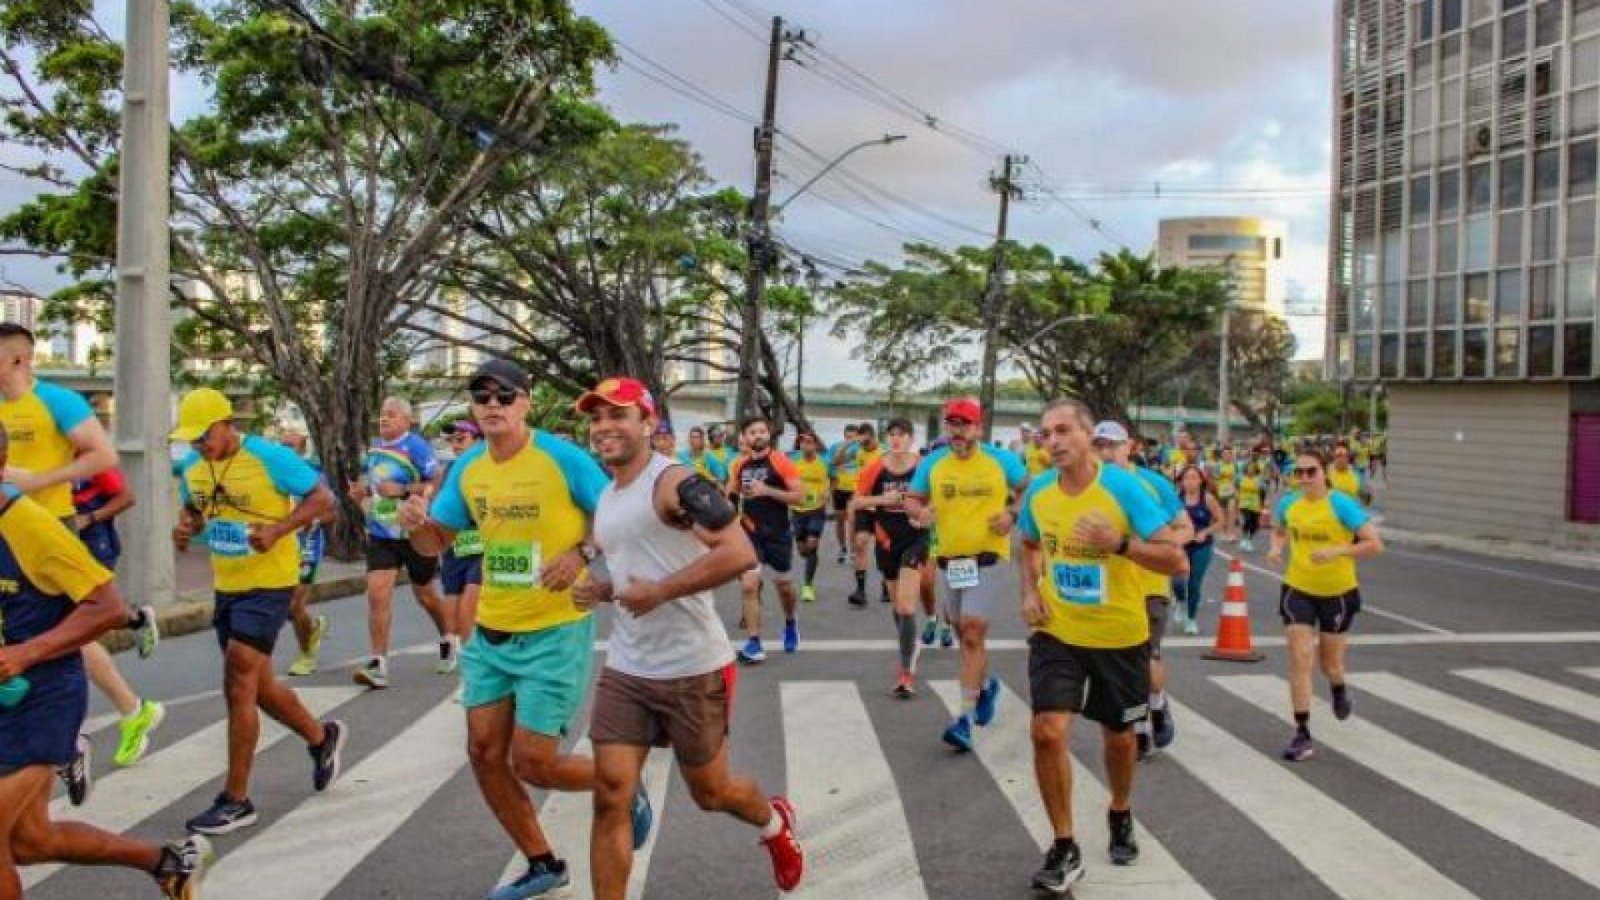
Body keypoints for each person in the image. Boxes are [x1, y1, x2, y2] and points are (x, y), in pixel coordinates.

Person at [400, 364, 643, 900]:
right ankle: (543, 862)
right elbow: (437, 541)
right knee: (484, 753)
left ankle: (624, 787)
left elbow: (619, 513)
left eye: (504, 395)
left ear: (525, 402)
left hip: (554, 631)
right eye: (481, 396)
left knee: (535, 763)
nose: (493, 404)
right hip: (491, 630)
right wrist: (418, 526)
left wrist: (580, 551)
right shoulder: (467, 468)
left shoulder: (562, 459)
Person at [575, 379, 804, 898]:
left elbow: (738, 551)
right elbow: (644, 564)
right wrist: (607, 590)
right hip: (629, 668)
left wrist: (661, 591)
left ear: (648, 423)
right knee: (611, 794)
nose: (604, 426)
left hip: (692, 667)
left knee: (711, 792)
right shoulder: (610, 495)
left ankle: (774, 823)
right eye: (596, 418)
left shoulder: (675, 482)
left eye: (618, 415)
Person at [0, 421, 214, 899]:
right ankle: (166, 864)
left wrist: (26, 651)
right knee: (32, 841)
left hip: (42, 701)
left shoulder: (28, 526)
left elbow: (109, 607)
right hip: (5, 702)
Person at [1020, 400, 1188, 892]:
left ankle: (1119, 809)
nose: (1053, 441)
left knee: (1119, 737)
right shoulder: (1039, 492)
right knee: (1047, 731)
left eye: (1063, 431)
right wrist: (1030, 591)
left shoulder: (1123, 488)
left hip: (1119, 636)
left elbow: (1175, 559)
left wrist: (1119, 545)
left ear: (1088, 436)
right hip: (1058, 631)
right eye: (1046, 434)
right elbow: (1028, 545)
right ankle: (1064, 845)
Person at [170, 388, 346, 834]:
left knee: (237, 682)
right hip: (227, 585)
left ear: (227, 424)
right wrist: (186, 526)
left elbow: (324, 501)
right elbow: (195, 507)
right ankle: (320, 737)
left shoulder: (269, 457)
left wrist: (280, 528)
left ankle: (237, 798)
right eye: (191, 440)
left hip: (270, 584)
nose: (199, 446)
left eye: (204, 436)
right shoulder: (192, 468)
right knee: (260, 688)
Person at [0, 328, 160, 794]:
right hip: (6, 532)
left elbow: (104, 455)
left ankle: (90, 730)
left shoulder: (56, 401)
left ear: (18, 360)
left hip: (49, 528)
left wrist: (40, 479)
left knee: (61, 634)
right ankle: (109, 719)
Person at [905, 397, 1028, 752]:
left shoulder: (1001, 460)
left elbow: (1026, 488)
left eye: (964, 424)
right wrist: (919, 513)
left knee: (972, 632)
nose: (957, 431)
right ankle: (985, 685)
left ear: (978, 428)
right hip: (950, 562)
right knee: (964, 635)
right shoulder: (933, 463)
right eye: (952, 424)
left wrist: (1012, 514)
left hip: (986, 557)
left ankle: (963, 719)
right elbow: (913, 498)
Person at [1268, 449, 1385, 763]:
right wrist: (1276, 549)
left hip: (1337, 592)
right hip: (1298, 588)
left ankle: (1338, 688)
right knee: (1299, 659)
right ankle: (1302, 732)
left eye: (1311, 472)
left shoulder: (1340, 504)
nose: (1304, 478)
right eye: (1299, 472)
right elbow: (1280, 531)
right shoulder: (1289, 504)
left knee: (1329, 664)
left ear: (1324, 472)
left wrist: (1337, 551)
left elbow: (1374, 544)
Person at [1092, 422, 1192, 761]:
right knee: (1121, 664)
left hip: (1149, 585)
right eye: (1099, 445)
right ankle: (1150, 712)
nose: (1105, 453)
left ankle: (1145, 720)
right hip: (1107, 588)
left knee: (1144, 658)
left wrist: (1157, 549)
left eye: (1112, 446)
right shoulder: (1087, 485)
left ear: (1129, 447)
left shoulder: (1153, 484)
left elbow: (1185, 527)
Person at [350, 397, 452, 689]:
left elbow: (437, 482)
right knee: (377, 593)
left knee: (425, 595)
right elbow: (374, 487)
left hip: (414, 534)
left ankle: (447, 638)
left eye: (391, 415)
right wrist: (362, 495)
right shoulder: (374, 449)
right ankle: (378, 663)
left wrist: (405, 489)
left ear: (406, 421)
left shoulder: (416, 446)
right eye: (382, 415)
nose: (384, 420)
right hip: (382, 534)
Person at [70, 467, 166, 775]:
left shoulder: (87, 453)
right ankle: (135, 622)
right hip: (49, 544)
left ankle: (129, 711)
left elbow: (126, 496)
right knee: (70, 633)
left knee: (71, 633)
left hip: (90, 544)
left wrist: (89, 518)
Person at [853, 418, 929, 697]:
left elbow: (937, 500)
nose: (897, 439)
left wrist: (925, 514)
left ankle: (906, 672)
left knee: (907, 607)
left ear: (911, 439)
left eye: (903, 435)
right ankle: (911, 643)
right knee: (898, 607)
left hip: (916, 539)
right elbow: (857, 501)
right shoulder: (876, 467)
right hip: (886, 540)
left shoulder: (923, 466)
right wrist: (885, 501)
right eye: (892, 434)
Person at [729, 417, 804, 663]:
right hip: (750, 531)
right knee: (750, 584)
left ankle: (791, 623)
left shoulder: (782, 462)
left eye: (762, 431)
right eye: (752, 432)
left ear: (769, 435)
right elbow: (731, 494)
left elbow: (799, 497)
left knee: (783, 586)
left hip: (778, 532)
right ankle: (753, 642)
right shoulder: (740, 465)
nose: (758, 436)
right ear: (744, 437)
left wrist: (767, 491)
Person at [279, 430, 334, 677]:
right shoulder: (274, 475)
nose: (287, 449)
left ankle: (306, 654)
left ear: (303, 449)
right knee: (284, 606)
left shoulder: (314, 477)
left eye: (292, 445)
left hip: (308, 545)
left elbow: (332, 513)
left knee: (293, 605)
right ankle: (312, 627)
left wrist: (310, 520)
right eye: (283, 445)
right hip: (281, 546)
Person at [435, 420, 485, 673]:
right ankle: (453, 646)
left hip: (484, 543)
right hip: (456, 542)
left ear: (478, 440)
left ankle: (472, 658)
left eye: (461, 439)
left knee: (471, 598)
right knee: (452, 599)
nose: (455, 445)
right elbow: (436, 505)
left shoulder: (488, 465)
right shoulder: (448, 469)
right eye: (452, 440)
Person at [1170, 465, 1222, 636]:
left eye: (1194, 478)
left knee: (1194, 583)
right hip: (1180, 545)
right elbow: (1166, 521)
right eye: (1187, 478)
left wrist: (1205, 532)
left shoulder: (1207, 499)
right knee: (1177, 582)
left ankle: (1191, 619)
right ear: (1181, 481)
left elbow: (1220, 521)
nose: (1190, 482)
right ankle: (1179, 599)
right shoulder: (1175, 499)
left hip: (1201, 546)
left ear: (1201, 481)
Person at [842, 423, 884, 606]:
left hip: (882, 505)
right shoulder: (858, 452)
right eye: (857, 438)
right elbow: (837, 461)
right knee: (860, 543)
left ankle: (887, 585)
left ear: (871, 435)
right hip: (862, 503)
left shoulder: (884, 455)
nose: (859, 441)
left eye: (862, 437)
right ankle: (860, 590)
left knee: (885, 549)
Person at [788, 430, 831, 603]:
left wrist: (826, 493)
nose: (805, 444)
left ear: (815, 444)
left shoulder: (824, 462)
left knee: (812, 544)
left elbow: (831, 479)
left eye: (809, 442)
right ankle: (809, 558)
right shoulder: (793, 462)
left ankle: (808, 585)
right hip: (798, 510)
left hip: (816, 509)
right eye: (803, 442)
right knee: (802, 549)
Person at [826, 424, 861, 564]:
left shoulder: (861, 448)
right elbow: (830, 465)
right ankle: (843, 548)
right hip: (839, 487)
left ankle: (853, 551)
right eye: (847, 437)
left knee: (852, 520)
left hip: (855, 489)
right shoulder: (836, 447)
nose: (850, 440)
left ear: (857, 436)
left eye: (852, 437)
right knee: (840, 520)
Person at [1237, 462, 1266, 553]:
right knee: (1247, 519)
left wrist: (1262, 504)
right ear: (1246, 469)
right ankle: (1244, 538)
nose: (1250, 470)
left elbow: (1263, 492)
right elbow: (1235, 486)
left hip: (1255, 504)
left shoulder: (1259, 480)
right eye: (1249, 468)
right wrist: (1236, 495)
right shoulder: (1240, 478)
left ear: (1255, 470)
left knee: (1255, 524)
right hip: (1244, 504)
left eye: (1252, 468)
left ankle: (1249, 540)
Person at [1215, 446, 1239, 542]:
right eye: (1224, 454)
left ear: (1231, 455)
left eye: (1228, 454)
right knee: (1223, 513)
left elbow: (1237, 479)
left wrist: (1237, 491)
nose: (1226, 456)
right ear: (1222, 455)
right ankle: (1223, 532)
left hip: (1231, 492)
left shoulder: (1235, 466)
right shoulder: (1218, 465)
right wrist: (1221, 475)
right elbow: (1216, 477)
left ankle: (1231, 533)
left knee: (1231, 511)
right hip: (1221, 492)